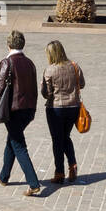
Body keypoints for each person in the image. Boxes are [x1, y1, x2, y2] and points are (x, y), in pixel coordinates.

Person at [0, 31, 42, 196]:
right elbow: (34, 89)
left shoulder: (7, 62)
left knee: (19, 145)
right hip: (28, 110)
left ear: (8, 45)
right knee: (12, 140)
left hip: (13, 111)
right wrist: (33, 109)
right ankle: (4, 176)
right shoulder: (30, 63)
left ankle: (33, 183)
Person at [40, 40, 84, 184]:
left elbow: (46, 94)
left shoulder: (50, 70)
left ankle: (59, 172)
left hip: (56, 109)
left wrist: (43, 86)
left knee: (57, 140)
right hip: (74, 107)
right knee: (66, 136)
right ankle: (72, 164)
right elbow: (81, 84)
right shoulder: (74, 66)